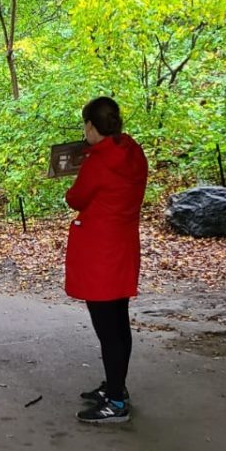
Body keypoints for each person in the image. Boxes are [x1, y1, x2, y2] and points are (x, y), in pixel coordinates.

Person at [65, 96, 149, 424]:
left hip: (99, 253)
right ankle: (117, 387)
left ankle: (115, 403)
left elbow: (76, 198)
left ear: (91, 125)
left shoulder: (99, 162)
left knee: (107, 330)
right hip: (123, 247)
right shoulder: (132, 152)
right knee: (119, 323)